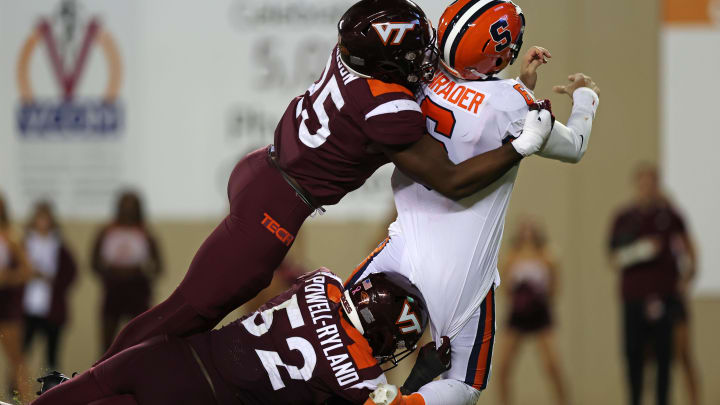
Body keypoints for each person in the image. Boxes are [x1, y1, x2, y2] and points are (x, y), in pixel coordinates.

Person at [96, 0, 555, 366]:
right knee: (188, 312)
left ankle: (98, 383)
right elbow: (452, 180)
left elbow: (431, 85)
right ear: (389, 62)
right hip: (275, 208)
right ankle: (85, 387)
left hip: (261, 170)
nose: (425, 62)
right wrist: (520, 144)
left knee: (193, 311)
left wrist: (517, 86)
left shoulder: (352, 57)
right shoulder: (387, 107)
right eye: (415, 55)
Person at [344, 0, 600, 402]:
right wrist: (585, 97)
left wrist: (520, 85)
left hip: (403, 245)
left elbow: (471, 115)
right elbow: (574, 147)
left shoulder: (422, 73)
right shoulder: (514, 102)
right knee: (463, 383)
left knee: (335, 329)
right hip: (460, 271)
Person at [33, 269, 448, 405]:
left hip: (163, 356)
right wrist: (420, 378)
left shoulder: (322, 282)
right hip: (198, 398)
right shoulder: (359, 376)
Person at [608, 163, 697, 405]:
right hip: (633, 297)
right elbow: (614, 258)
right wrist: (643, 250)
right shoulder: (624, 218)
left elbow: (690, 247)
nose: (647, 188)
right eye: (643, 183)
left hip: (665, 297)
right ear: (636, 185)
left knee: (665, 358)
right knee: (634, 356)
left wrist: (687, 279)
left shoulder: (670, 215)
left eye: (652, 183)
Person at [496, 219, 568, 405]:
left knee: (552, 366)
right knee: (503, 367)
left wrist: (540, 301)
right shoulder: (511, 257)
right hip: (518, 315)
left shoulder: (547, 255)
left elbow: (554, 285)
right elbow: (505, 286)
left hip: (540, 314)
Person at [91, 191, 162, 351]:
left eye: (132, 206)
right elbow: (94, 262)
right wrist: (108, 276)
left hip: (138, 290)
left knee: (140, 341)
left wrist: (143, 276)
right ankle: (106, 374)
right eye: (125, 205)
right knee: (107, 344)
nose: (128, 210)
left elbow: (158, 266)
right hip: (113, 290)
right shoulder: (107, 231)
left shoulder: (145, 233)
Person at [22, 201, 78, 370]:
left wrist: (53, 280)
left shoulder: (58, 245)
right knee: (21, 353)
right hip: (28, 306)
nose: (43, 223)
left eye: (46, 219)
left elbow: (71, 273)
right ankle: (15, 392)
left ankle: (51, 393)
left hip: (52, 308)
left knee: (51, 357)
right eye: (40, 219)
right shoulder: (24, 243)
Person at [0, 193, 33, 403]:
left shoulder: (11, 236)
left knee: (16, 360)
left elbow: (27, 271)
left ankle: (25, 400)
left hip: (6, 306)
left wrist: (7, 278)